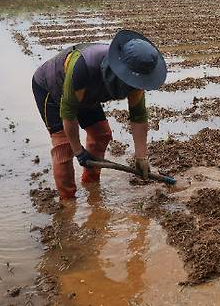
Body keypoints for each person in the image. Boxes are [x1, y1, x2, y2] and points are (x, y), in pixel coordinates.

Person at [31, 30, 167, 199]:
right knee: (64, 146)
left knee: (101, 134)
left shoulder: (135, 81)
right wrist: (79, 151)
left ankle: (91, 183)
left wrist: (141, 157)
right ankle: (67, 201)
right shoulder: (83, 68)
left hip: (87, 94)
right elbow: (69, 113)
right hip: (51, 89)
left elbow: (138, 117)